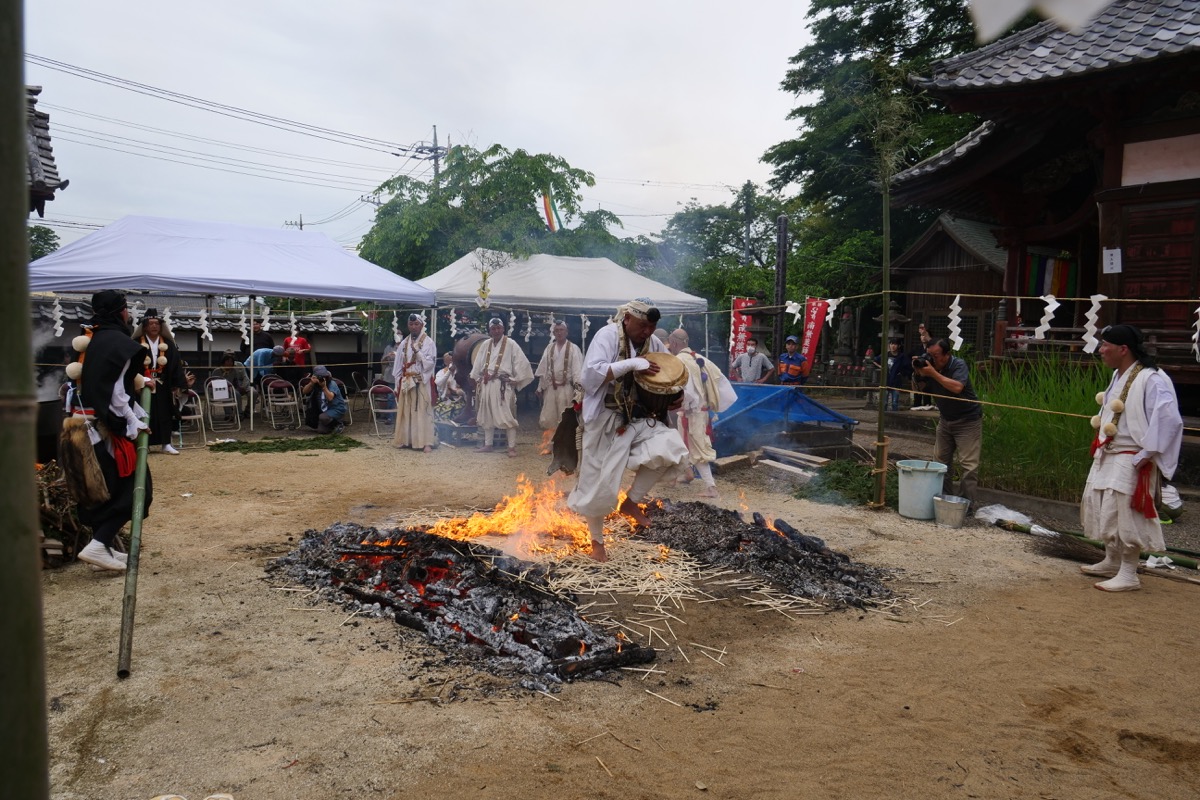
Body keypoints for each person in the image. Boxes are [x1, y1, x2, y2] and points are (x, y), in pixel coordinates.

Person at [566, 299, 689, 562]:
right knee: (597, 481)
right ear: (627, 319)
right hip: (604, 417)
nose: (648, 332)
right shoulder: (607, 335)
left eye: (652, 327)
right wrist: (631, 364)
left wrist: (677, 397)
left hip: (638, 417)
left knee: (671, 447)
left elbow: (666, 376)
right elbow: (589, 376)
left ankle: (631, 501)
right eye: (643, 326)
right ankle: (597, 542)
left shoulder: (654, 343)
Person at [1080, 324, 1183, 592]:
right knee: (1104, 506)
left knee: (1126, 512)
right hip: (1109, 449)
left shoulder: (1152, 378)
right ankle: (1112, 560)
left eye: (1106, 346)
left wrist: (1146, 454)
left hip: (1133, 454)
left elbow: (1168, 420)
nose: (1101, 350)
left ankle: (1129, 573)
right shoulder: (1119, 375)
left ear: (1123, 349)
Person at [72, 290, 153, 571]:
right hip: (103, 428)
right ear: (121, 311)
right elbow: (115, 392)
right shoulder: (119, 343)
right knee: (136, 490)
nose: (129, 314)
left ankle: (102, 545)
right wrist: (134, 421)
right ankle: (98, 544)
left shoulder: (95, 339)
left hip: (85, 424)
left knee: (108, 489)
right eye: (127, 308)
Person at [912, 338, 982, 506]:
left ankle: (966, 505)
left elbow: (958, 387)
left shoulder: (958, 365)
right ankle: (943, 500)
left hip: (968, 421)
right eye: (929, 355)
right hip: (945, 420)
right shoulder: (930, 368)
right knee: (940, 463)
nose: (932, 359)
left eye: (936, 356)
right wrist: (917, 373)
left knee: (969, 466)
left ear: (947, 355)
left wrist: (933, 374)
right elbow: (919, 390)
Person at [666, 329, 726, 499]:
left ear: (675, 343)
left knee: (699, 449)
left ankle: (711, 487)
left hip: (692, 413)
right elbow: (717, 379)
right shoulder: (698, 358)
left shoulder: (680, 361)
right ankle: (680, 475)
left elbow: (688, 391)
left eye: (670, 343)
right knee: (680, 444)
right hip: (698, 411)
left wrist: (677, 405)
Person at [469, 317, 534, 457]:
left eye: (499, 328)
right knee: (487, 414)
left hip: (502, 385)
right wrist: (478, 377)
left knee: (507, 415)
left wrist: (515, 379)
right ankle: (488, 444)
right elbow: (478, 364)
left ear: (503, 329)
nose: (496, 331)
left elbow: (521, 362)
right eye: (493, 328)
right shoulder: (486, 344)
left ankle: (511, 447)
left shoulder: (511, 343)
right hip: (487, 384)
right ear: (490, 330)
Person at [131, 308, 190, 454]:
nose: (154, 326)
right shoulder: (136, 343)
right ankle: (145, 443)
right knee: (144, 413)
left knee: (164, 413)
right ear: (144, 326)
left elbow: (176, 364)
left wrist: (178, 385)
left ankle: (166, 443)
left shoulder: (168, 344)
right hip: (142, 384)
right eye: (150, 323)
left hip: (163, 384)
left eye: (157, 323)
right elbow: (131, 365)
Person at [393, 313, 437, 452]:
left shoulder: (429, 342)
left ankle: (426, 442)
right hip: (407, 380)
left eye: (416, 324)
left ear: (422, 325)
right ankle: (408, 439)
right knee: (406, 411)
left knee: (422, 411)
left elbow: (430, 364)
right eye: (411, 324)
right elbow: (398, 364)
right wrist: (397, 383)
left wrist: (417, 350)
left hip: (421, 381)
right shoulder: (404, 343)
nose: (413, 327)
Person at [534, 320, 583, 434]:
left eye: (561, 330)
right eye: (556, 330)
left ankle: (564, 444)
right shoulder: (549, 348)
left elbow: (577, 370)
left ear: (566, 332)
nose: (559, 333)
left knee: (565, 415)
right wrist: (540, 387)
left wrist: (578, 390)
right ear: (553, 333)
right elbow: (543, 370)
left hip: (566, 388)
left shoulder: (573, 348)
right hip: (551, 387)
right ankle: (551, 443)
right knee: (550, 416)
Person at [301, 365, 347, 434]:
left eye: (323, 376)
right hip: (324, 410)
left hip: (337, 408)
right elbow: (304, 391)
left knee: (322, 417)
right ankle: (332, 425)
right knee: (321, 431)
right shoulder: (315, 384)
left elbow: (330, 398)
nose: (322, 378)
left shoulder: (332, 383)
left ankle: (338, 424)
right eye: (319, 377)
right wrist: (311, 383)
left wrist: (324, 387)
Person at [213, 351, 252, 417]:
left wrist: (240, 388)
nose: (229, 363)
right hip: (219, 390)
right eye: (227, 361)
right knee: (225, 394)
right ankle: (228, 414)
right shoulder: (217, 371)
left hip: (230, 388)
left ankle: (239, 413)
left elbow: (235, 381)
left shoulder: (233, 371)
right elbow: (213, 383)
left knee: (237, 394)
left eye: (231, 362)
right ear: (224, 362)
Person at [434, 352, 465, 421]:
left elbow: (465, 391)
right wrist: (449, 371)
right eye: (449, 360)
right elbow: (438, 383)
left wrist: (457, 391)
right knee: (438, 411)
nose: (451, 363)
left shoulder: (461, 373)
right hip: (445, 402)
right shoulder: (441, 372)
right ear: (445, 362)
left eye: (452, 360)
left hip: (458, 403)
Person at [885, 339, 911, 411]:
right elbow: (875, 360)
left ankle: (894, 419)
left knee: (894, 403)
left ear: (898, 346)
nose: (893, 346)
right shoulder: (885, 355)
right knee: (884, 402)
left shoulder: (902, 357)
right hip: (886, 381)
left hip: (896, 382)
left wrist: (902, 373)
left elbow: (908, 367)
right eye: (891, 344)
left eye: (895, 344)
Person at [912, 323, 934, 409]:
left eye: (925, 335)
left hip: (928, 373)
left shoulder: (933, 348)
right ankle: (916, 405)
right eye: (921, 335)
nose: (923, 337)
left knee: (926, 392)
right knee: (917, 393)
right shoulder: (917, 348)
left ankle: (927, 405)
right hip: (918, 373)